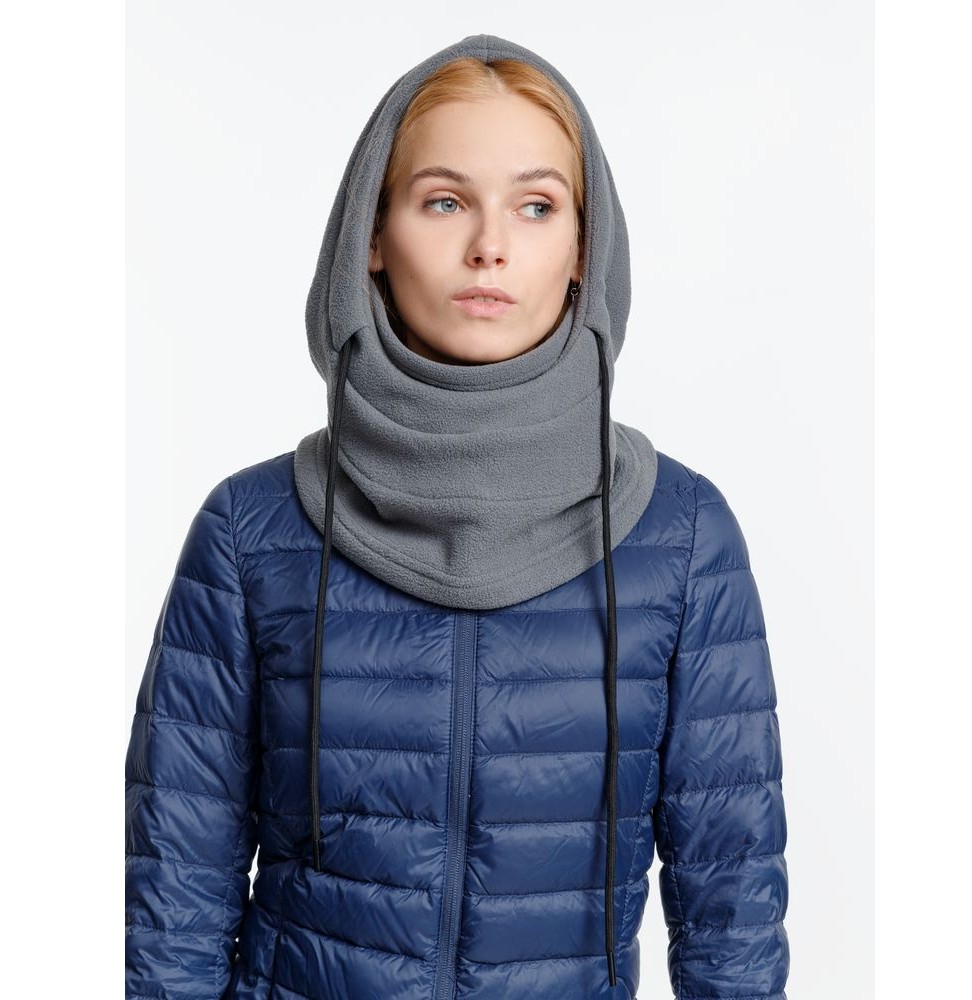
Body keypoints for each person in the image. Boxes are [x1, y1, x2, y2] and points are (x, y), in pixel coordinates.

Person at [125, 33, 790, 1000]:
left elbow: (733, 909)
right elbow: (173, 900)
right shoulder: (250, 531)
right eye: (444, 201)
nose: (490, 245)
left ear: (584, 251)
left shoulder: (680, 535)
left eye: (536, 205)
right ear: (371, 237)